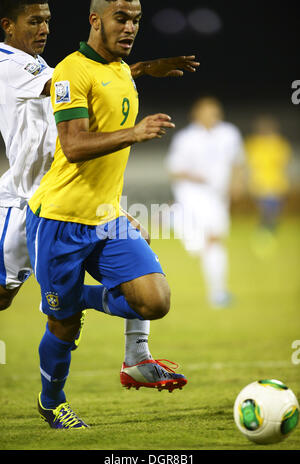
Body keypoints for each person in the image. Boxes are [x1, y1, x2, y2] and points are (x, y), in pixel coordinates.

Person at [0, 0, 199, 409]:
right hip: (27, 200)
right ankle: (55, 393)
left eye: (48, 21)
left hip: (84, 197)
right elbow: (72, 89)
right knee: (7, 297)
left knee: (149, 292)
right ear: (7, 26)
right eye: (33, 21)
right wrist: (134, 127)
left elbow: (95, 75)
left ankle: (136, 358)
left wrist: (137, 68)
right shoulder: (9, 64)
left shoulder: (62, 67)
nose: (43, 29)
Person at [166, 97, 245, 308]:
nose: (212, 115)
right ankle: (218, 294)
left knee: (204, 245)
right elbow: (175, 170)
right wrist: (199, 177)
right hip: (193, 195)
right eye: (207, 111)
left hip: (218, 197)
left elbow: (238, 162)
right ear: (196, 114)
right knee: (213, 241)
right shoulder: (186, 138)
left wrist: (237, 184)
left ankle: (175, 219)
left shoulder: (229, 133)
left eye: (215, 111)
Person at [245, 115, 292, 234]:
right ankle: (265, 229)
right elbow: (248, 162)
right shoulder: (253, 143)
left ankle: (268, 228)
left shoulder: (279, 143)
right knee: (265, 207)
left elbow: (284, 162)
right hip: (259, 182)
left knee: (274, 208)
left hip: (276, 181)